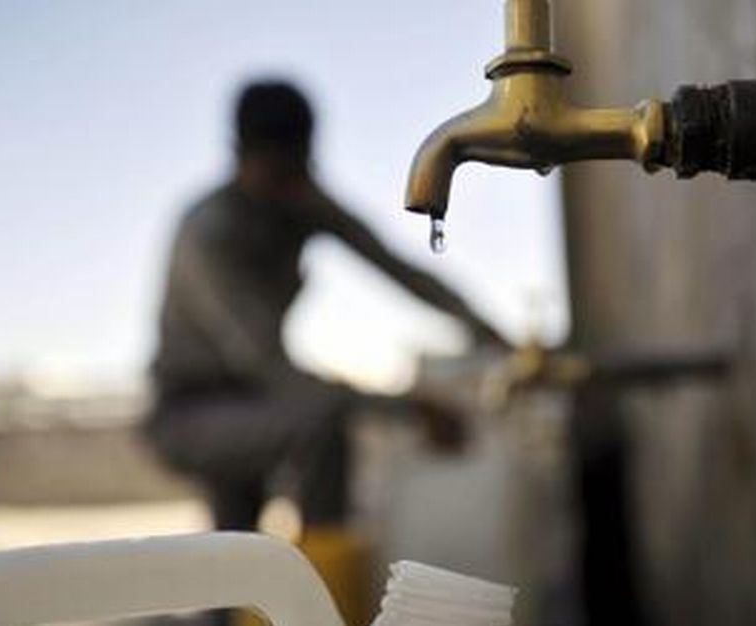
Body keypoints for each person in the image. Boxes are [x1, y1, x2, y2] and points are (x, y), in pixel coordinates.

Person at [145, 80, 505, 533]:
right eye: (279, 173)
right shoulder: (209, 234)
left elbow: (397, 267)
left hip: (257, 403)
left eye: (299, 170)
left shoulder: (300, 201)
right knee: (319, 428)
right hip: (192, 413)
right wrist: (409, 409)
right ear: (241, 156)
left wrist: (481, 326)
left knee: (236, 566)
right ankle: (325, 592)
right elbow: (267, 364)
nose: (291, 186)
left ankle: (286, 594)